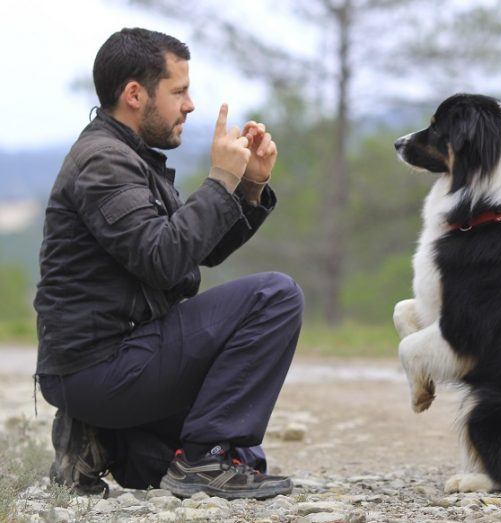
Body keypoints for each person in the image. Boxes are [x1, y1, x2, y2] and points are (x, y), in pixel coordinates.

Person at [33, 27, 304, 500]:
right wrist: (221, 178)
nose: (190, 104)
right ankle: (194, 461)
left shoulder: (129, 157)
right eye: (179, 91)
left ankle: (100, 440)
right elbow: (164, 259)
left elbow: (195, 249)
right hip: (104, 364)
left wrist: (249, 188)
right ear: (135, 94)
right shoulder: (103, 163)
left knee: (242, 458)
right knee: (275, 296)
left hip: (116, 364)